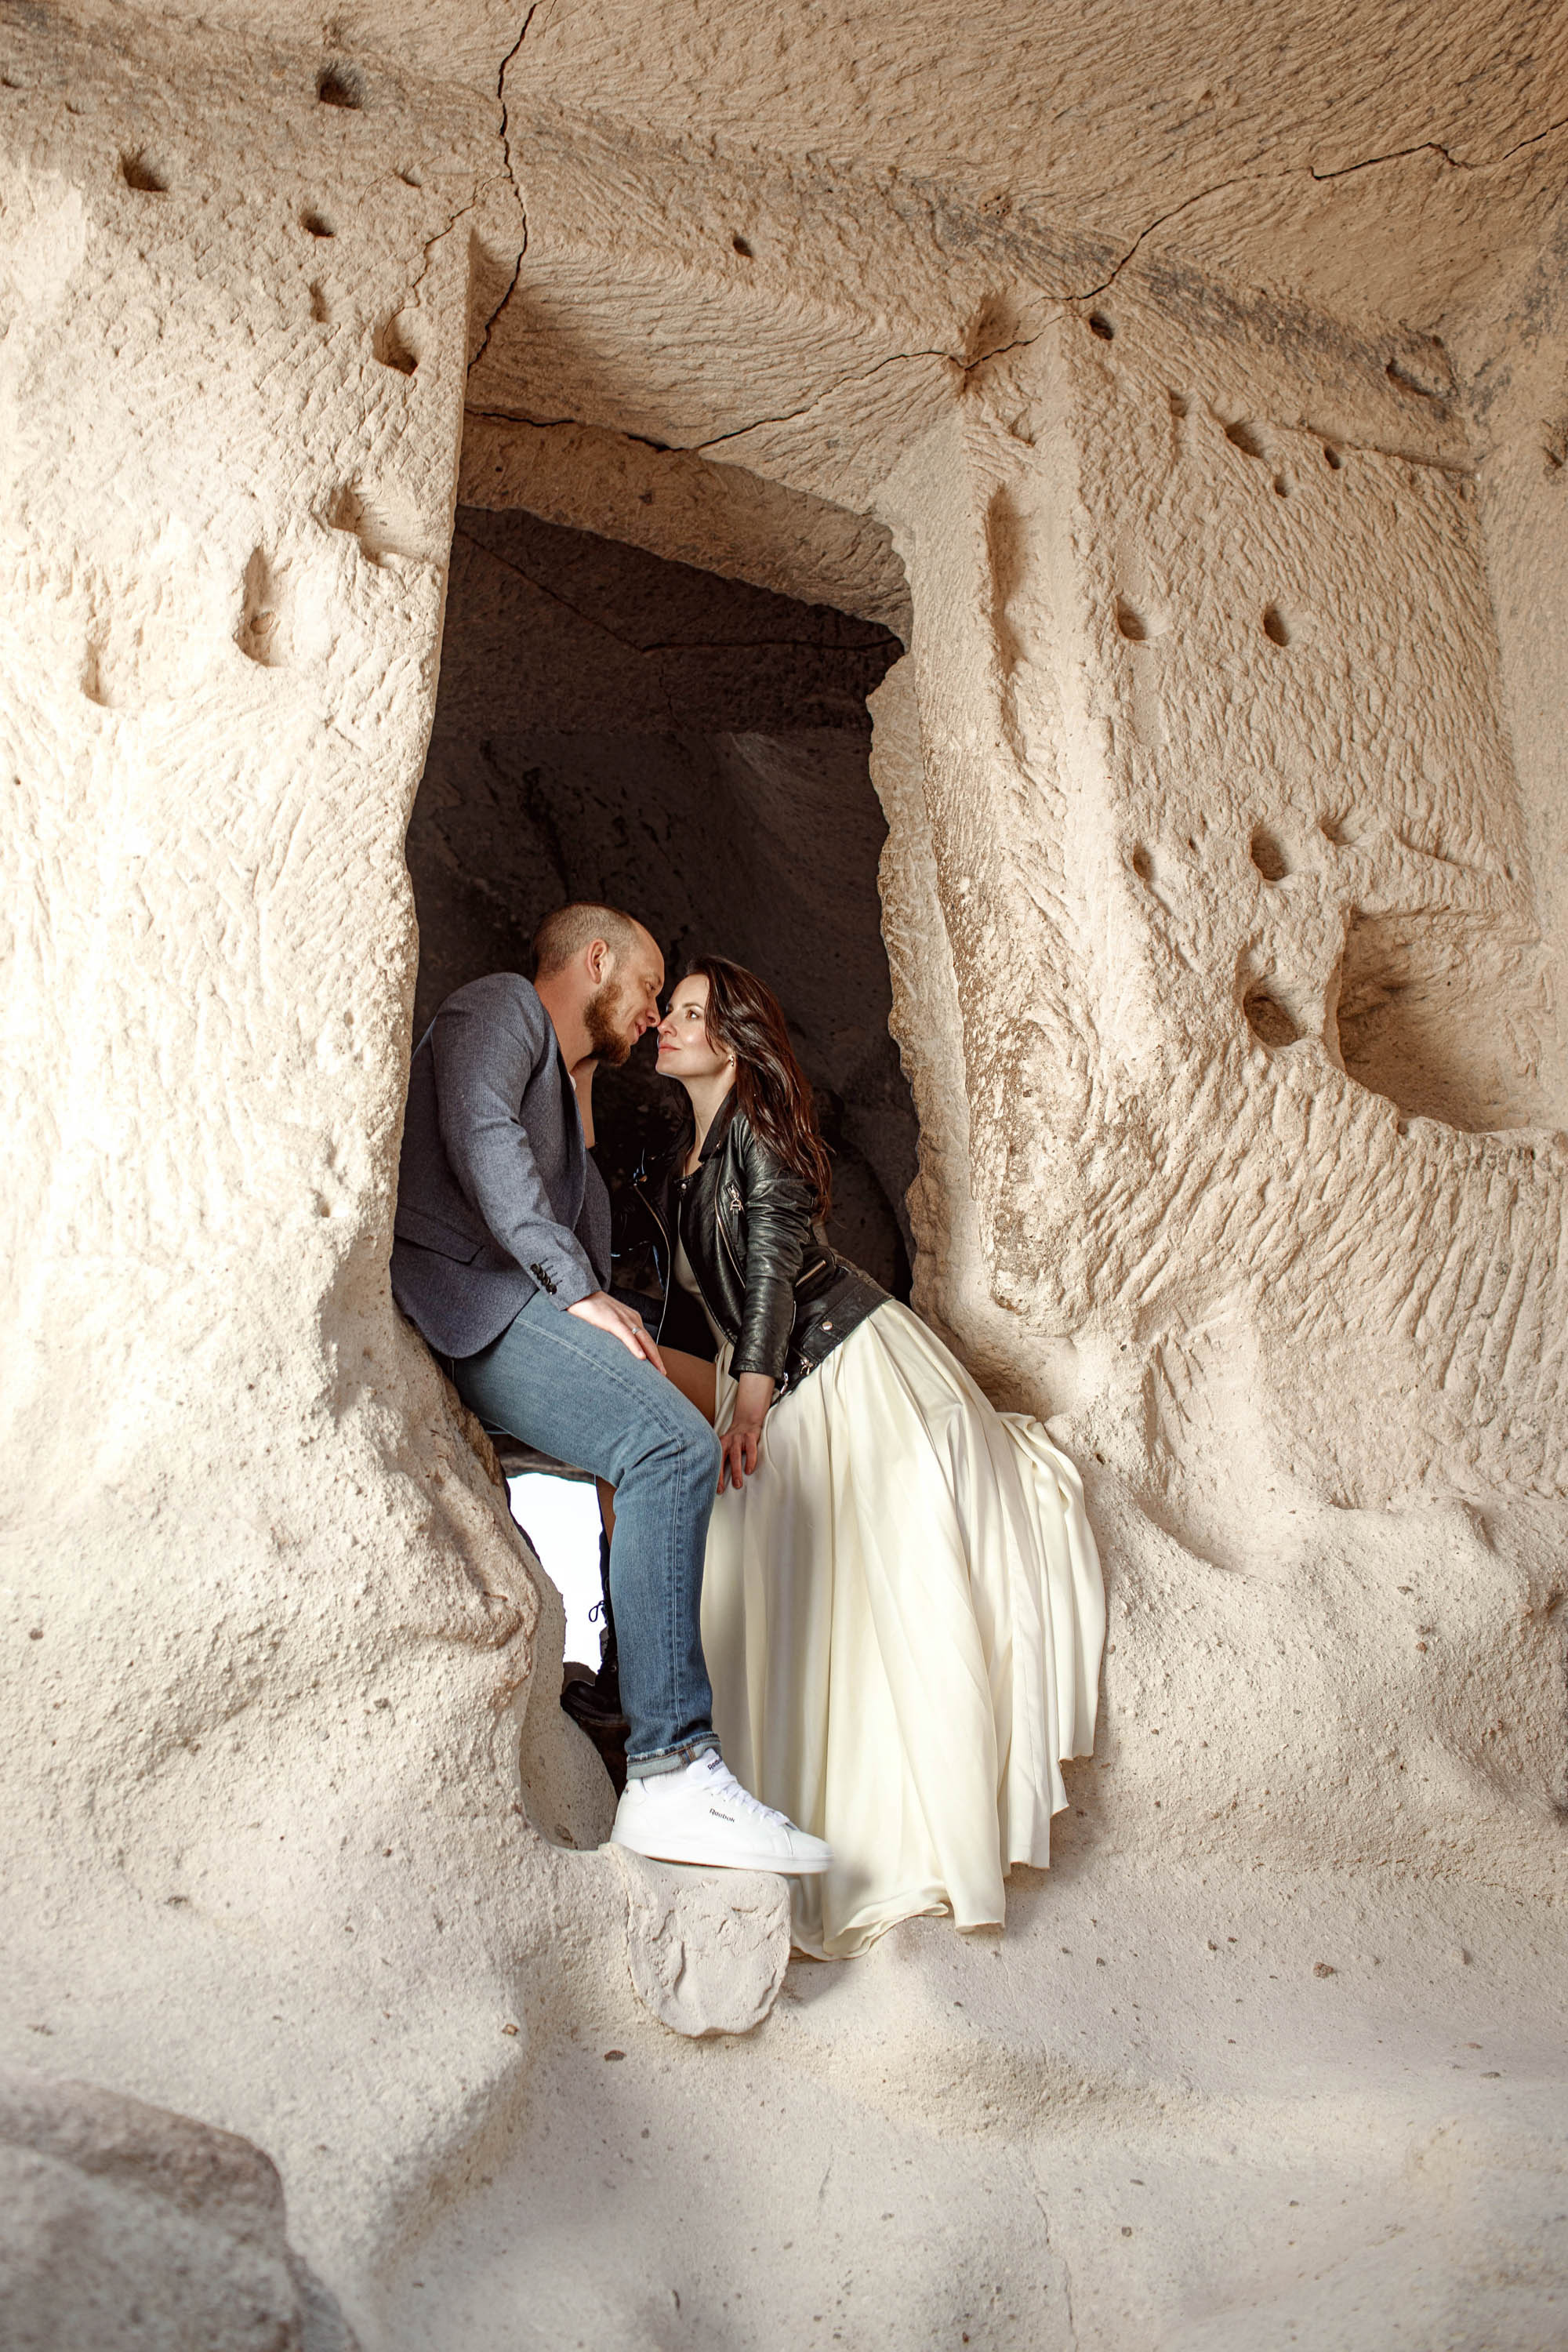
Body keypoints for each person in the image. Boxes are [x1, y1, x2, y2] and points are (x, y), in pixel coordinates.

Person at [619, 955, 1105, 1957]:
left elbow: (768, 1276)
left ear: (734, 1038)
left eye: (692, 1013)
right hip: (769, 1378)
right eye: (669, 1009)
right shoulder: (685, 1152)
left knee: (872, 1590)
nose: (668, 1022)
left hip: (840, 1364)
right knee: (759, 1588)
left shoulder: (756, 1128)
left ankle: (882, 1841)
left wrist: (748, 1397)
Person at [390, 904, 829, 1875]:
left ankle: (667, 1713)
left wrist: (581, 1092)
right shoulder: (497, 1007)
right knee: (671, 1444)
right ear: (596, 961)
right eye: (645, 987)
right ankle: (671, 1766)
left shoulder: (567, 1083)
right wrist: (577, 1292)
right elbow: (478, 1134)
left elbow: (571, 1220)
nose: (652, 1016)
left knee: (679, 1429)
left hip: (515, 1305)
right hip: (476, 1304)